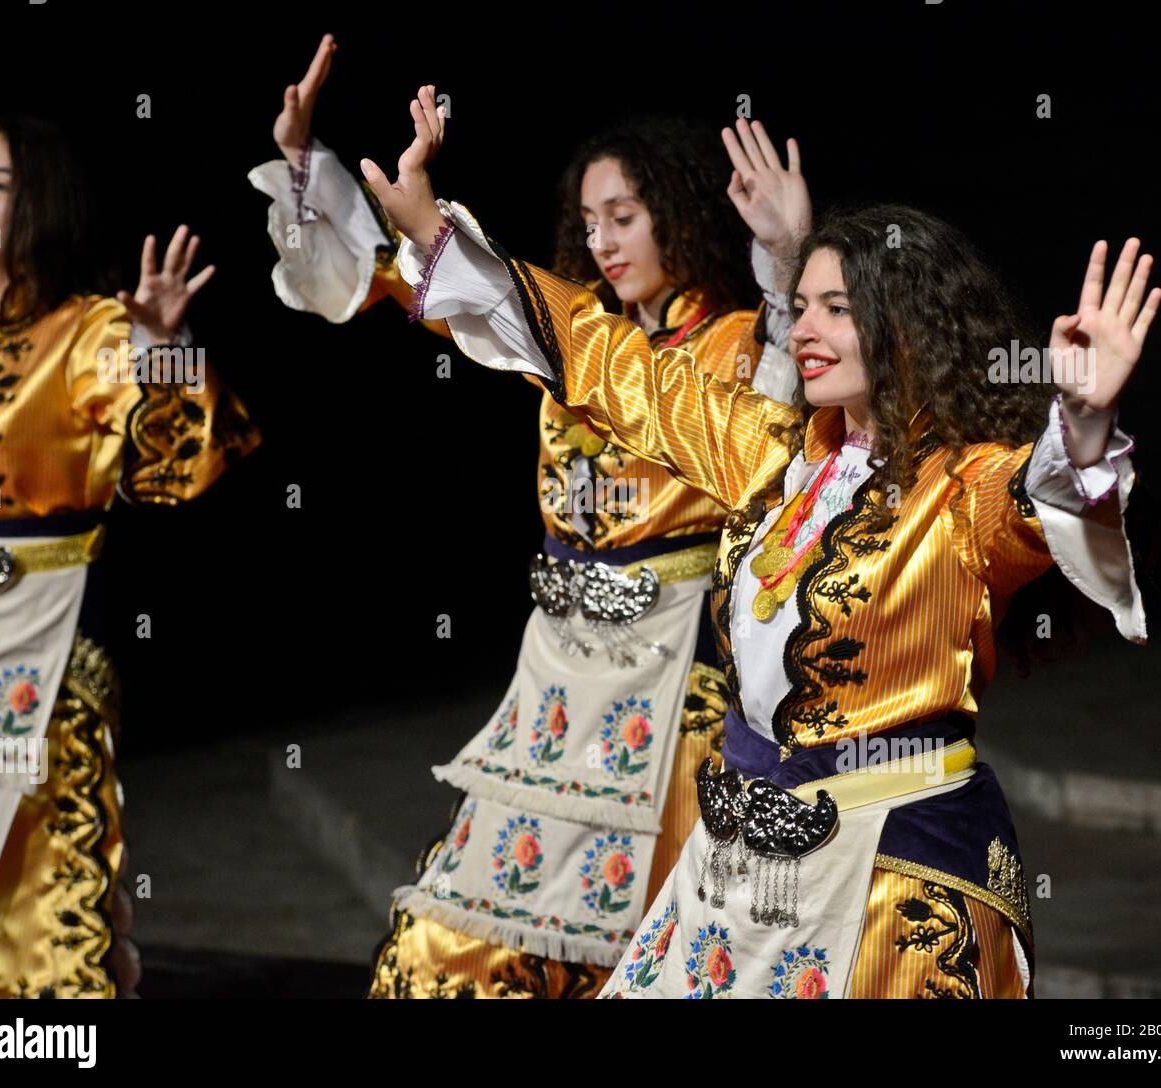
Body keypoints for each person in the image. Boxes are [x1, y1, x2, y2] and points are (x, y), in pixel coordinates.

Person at [359, 84, 1157, 998]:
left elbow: (1049, 497)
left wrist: (1086, 422)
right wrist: (433, 231)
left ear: (905, 326)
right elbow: (604, 363)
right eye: (801, 305)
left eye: (833, 310)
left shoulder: (960, 488)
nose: (803, 330)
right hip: (737, 865)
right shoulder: (769, 453)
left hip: (892, 878)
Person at [249, 39, 803, 997]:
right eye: (588, 222)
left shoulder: (734, 343)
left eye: (624, 217)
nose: (603, 242)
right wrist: (305, 169)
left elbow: (791, 417)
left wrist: (788, 260)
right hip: (555, 677)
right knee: (443, 946)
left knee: (662, 950)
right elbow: (381, 275)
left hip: (674, 685)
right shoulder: (560, 331)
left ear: (675, 214)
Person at [0, 115, 261, 998]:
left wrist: (160, 349)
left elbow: (172, 468)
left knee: (36, 901)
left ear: (40, 203)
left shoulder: (86, 333)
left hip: (41, 660)